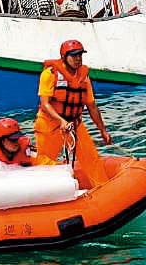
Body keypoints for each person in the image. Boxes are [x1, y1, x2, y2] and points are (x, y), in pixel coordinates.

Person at [35, 39, 111, 185]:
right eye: (74, 55)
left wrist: (103, 130)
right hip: (50, 123)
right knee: (44, 162)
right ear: (64, 57)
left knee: (91, 159)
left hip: (74, 123)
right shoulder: (50, 74)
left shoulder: (84, 77)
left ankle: (102, 187)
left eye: (80, 55)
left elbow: (92, 105)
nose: (78, 59)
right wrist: (61, 121)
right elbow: (45, 104)